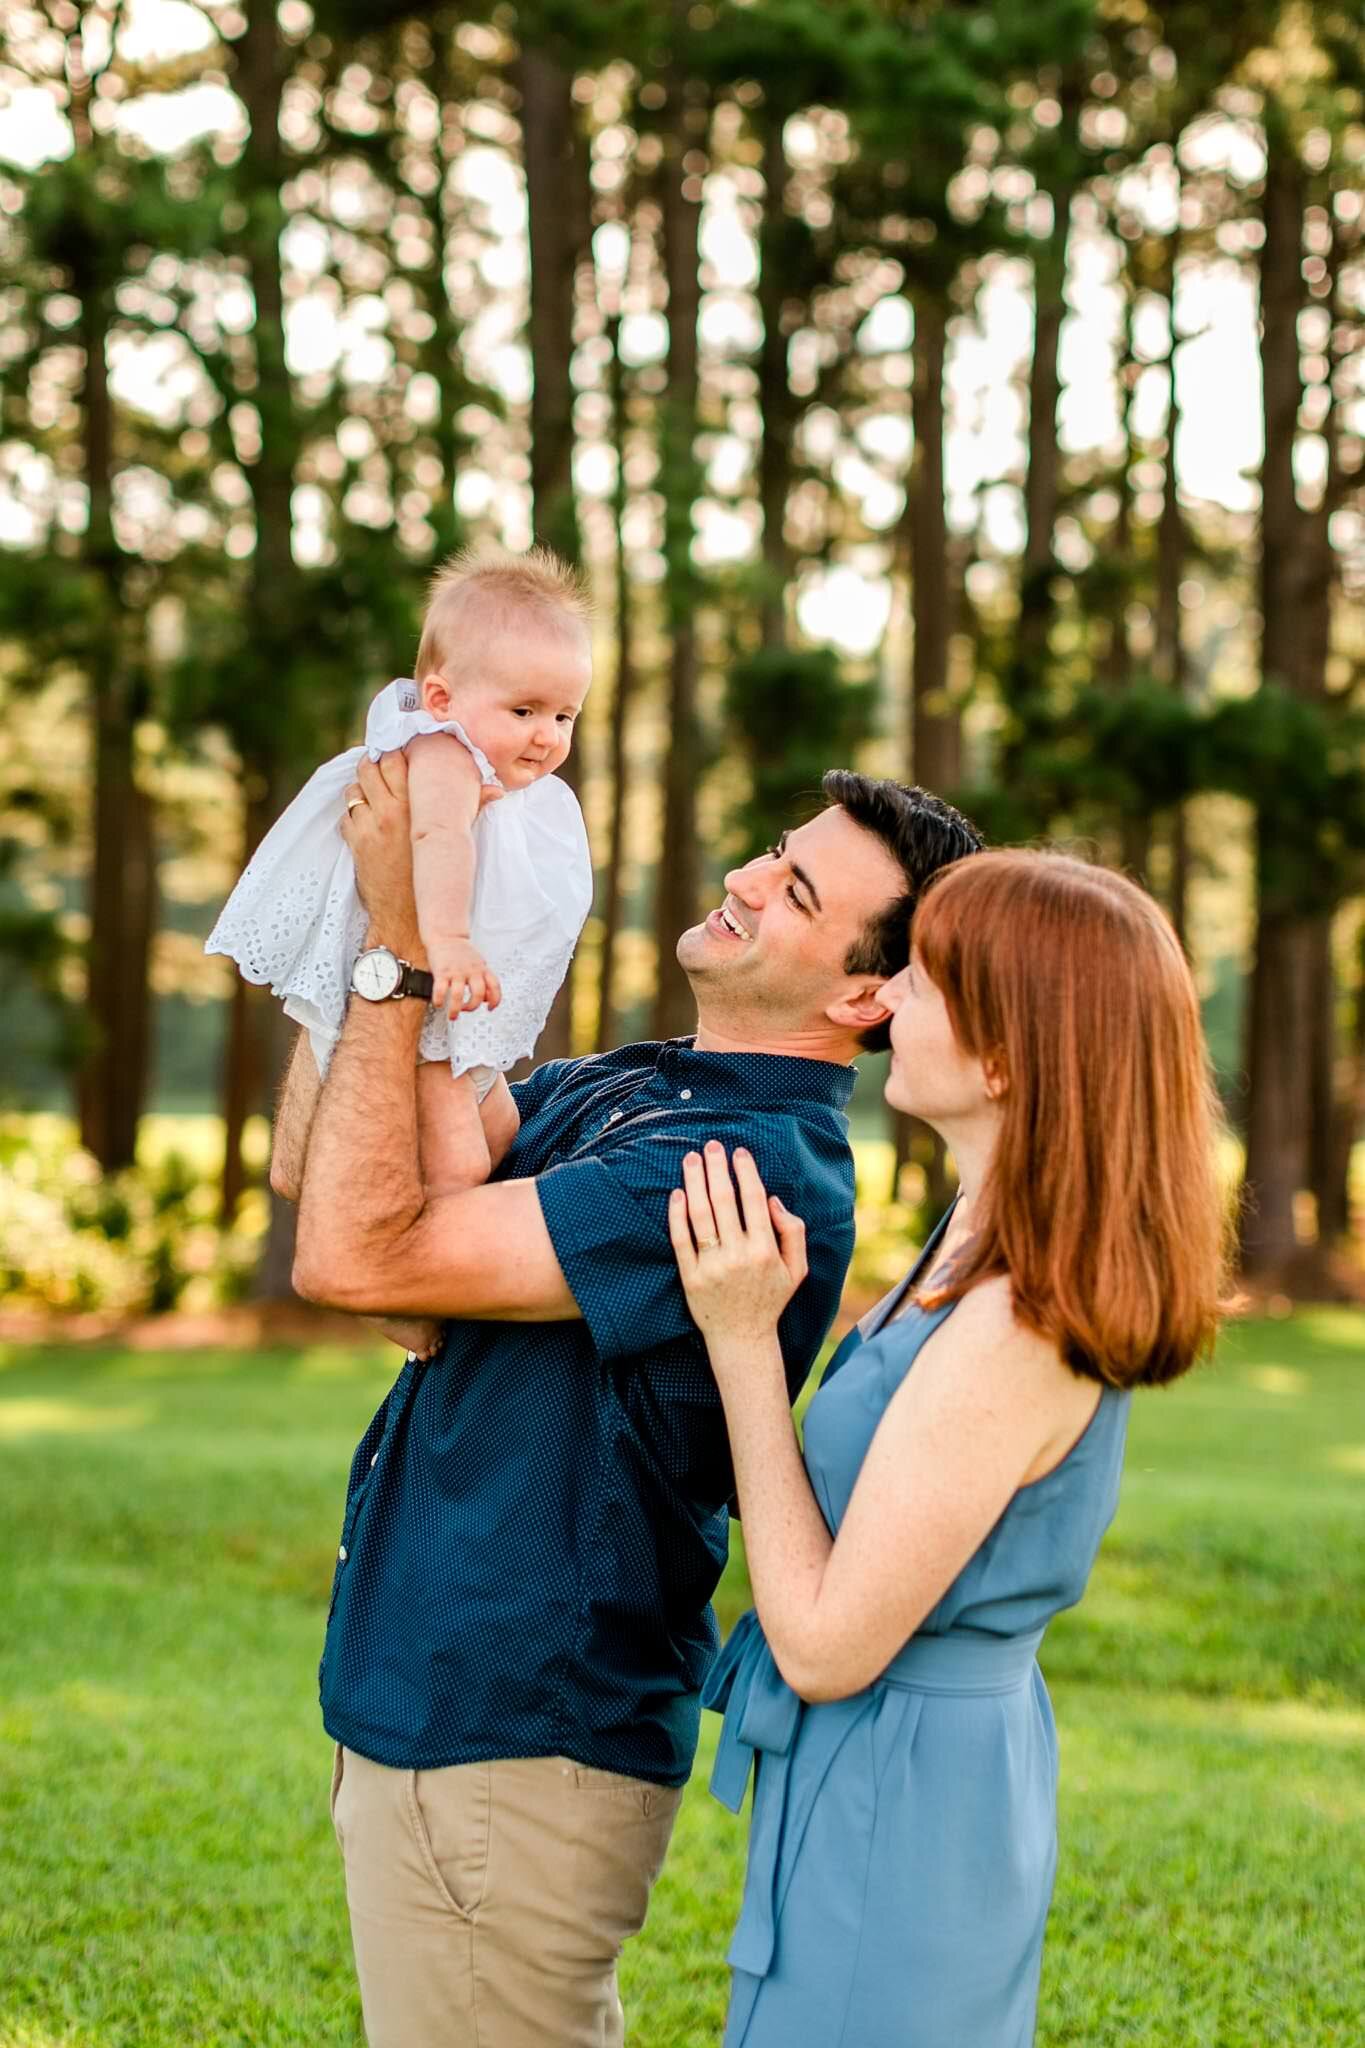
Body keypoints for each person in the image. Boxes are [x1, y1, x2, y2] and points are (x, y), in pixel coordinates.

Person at [279, 759, 982, 2048]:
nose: (746, 877)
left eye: (796, 887)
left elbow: (355, 1254)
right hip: (445, 1713)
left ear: (863, 991)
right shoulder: (644, 1084)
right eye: (775, 849)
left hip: (513, 1738)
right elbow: (328, 1184)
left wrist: (397, 946)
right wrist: (403, 926)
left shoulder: (737, 1165)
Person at [668, 850, 1229, 2048]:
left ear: (1007, 1057)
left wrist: (742, 1343)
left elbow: (819, 1644)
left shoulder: (1016, 1322)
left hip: (907, 1802)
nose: (890, 998)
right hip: (883, 1772)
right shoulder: (969, 1240)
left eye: (923, 980)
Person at [207, 544, 594, 1355]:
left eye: (564, 716)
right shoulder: (443, 754)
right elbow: (435, 838)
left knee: (492, 1138)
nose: (546, 736)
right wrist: (446, 941)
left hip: (441, 993)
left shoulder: (503, 776)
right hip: (422, 982)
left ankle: (384, 1258)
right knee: (456, 1162)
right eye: (523, 711)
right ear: (443, 697)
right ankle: (395, 1289)